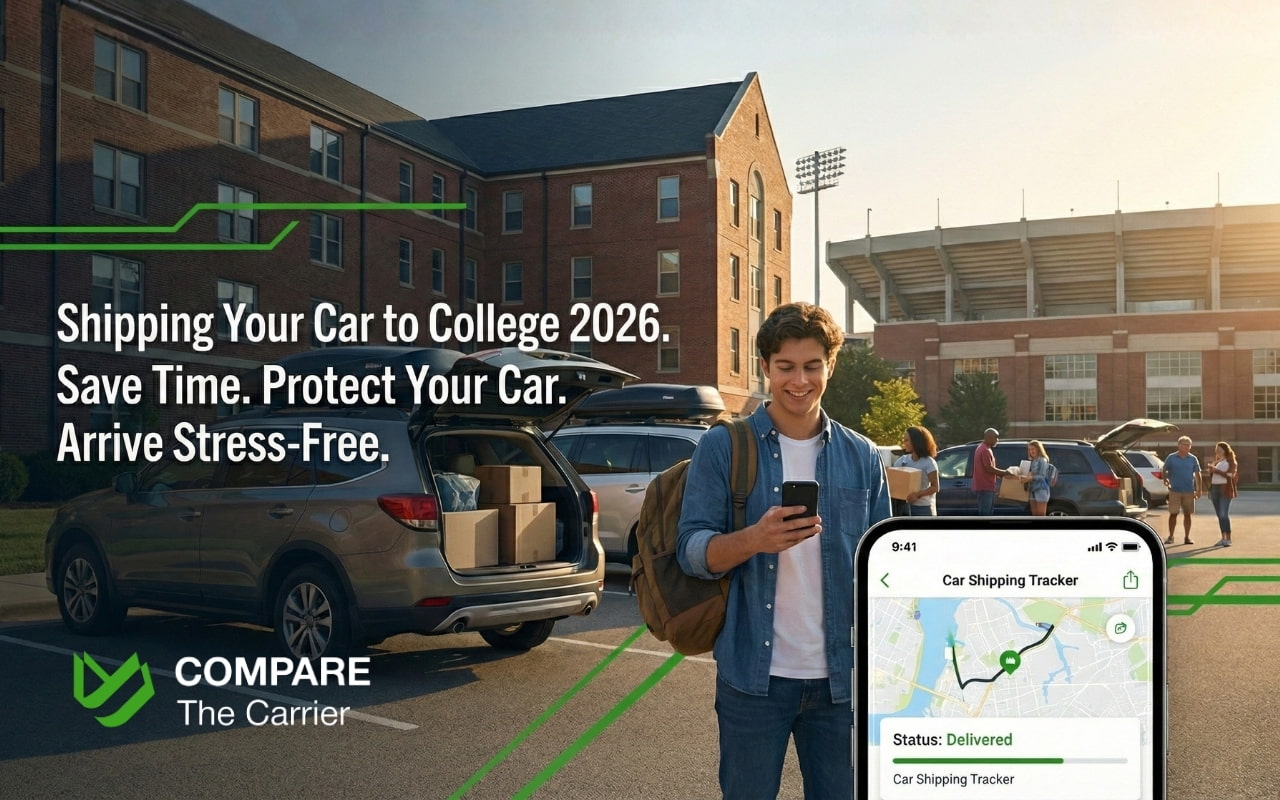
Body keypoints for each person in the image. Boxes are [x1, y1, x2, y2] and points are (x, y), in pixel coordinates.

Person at [677, 302, 891, 800]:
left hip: (843, 685)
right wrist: (755, 539)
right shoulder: (724, 446)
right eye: (786, 367)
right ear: (766, 368)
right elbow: (691, 552)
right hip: (754, 679)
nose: (800, 381)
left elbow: (885, 567)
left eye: (812, 366)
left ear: (830, 366)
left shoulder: (861, 455)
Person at [1161, 436, 1202, 545]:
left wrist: (1199, 490)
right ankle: (1171, 536)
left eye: (1188, 445)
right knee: (1173, 514)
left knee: (1188, 514)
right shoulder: (1171, 457)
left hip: (1189, 491)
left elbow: (1198, 474)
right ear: (1179, 445)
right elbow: (1164, 469)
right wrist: (1166, 479)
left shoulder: (1193, 459)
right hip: (1175, 490)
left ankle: (1187, 537)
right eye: (1184, 444)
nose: (1187, 447)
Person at [896, 425, 939, 515]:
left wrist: (917, 494)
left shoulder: (929, 462)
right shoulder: (903, 460)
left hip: (923, 509)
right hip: (904, 507)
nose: (904, 443)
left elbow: (935, 487)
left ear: (916, 441)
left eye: (907, 440)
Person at [971, 427, 1014, 515]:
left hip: (985, 486)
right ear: (989, 437)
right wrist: (1005, 472)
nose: (997, 440)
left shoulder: (982, 448)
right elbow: (989, 468)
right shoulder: (985, 450)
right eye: (996, 437)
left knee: (988, 513)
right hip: (985, 487)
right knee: (985, 514)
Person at [1207, 441, 1238, 547]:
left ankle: (1228, 539)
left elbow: (1230, 475)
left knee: (1223, 514)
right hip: (1215, 489)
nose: (1217, 452)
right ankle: (1223, 538)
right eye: (1216, 450)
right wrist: (1211, 470)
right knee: (1219, 515)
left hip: (1225, 489)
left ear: (1225, 450)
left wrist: (1216, 470)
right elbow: (1213, 476)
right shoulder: (1218, 461)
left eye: (1219, 450)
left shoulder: (1231, 461)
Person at [1019, 440, 1052, 516]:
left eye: (1033, 449)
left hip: (1041, 490)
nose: (1031, 451)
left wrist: (1030, 478)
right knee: (1034, 515)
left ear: (1038, 449)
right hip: (1032, 490)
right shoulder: (1032, 461)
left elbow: (1042, 476)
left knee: (1041, 515)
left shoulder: (1042, 460)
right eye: (1030, 449)